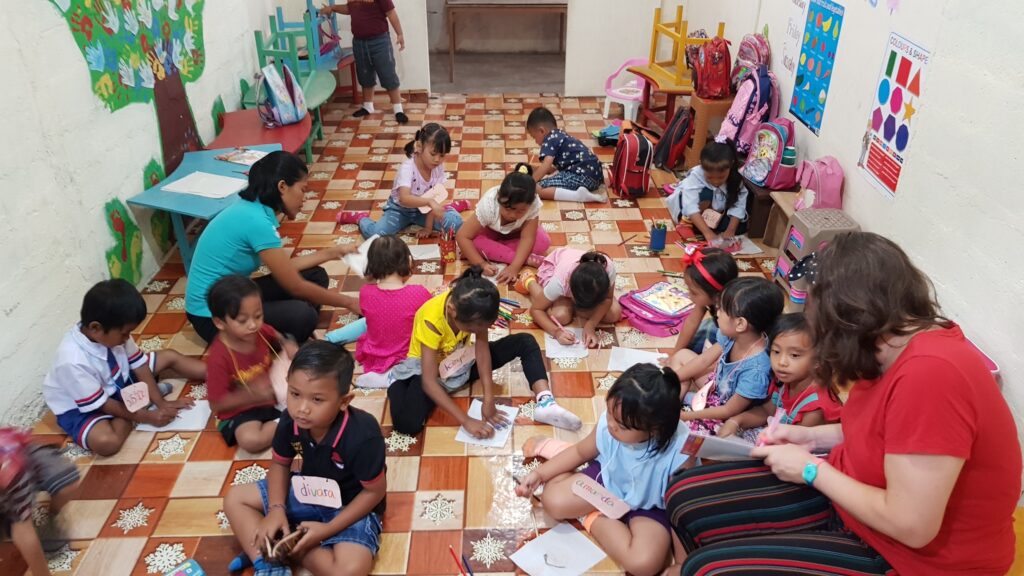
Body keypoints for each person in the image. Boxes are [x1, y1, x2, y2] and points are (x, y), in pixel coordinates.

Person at [664, 232, 1022, 575]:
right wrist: (811, 438)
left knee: (707, 569)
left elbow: (912, 525)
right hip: (855, 501)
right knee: (684, 494)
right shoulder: (890, 346)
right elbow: (880, 431)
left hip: (909, 556)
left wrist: (811, 469)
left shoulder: (931, 375)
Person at [224, 342, 386, 576]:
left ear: (344, 401)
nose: (302, 408)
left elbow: (374, 492)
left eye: (317, 400)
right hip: (308, 492)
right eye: (295, 394)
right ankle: (268, 563)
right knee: (235, 499)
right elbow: (280, 463)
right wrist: (276, 509)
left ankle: (281, 546)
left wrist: (328, 529)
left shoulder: (363, 435)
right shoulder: (291, 421)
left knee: (350, 571)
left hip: (349, 506)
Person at [516, 364, 690, 576]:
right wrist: (539, 474)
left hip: (650, 506)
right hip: (607, 482)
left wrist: (683, 563)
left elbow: (682, 510)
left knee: (644, 565)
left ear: (655, 430)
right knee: (552, 501)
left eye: (622, 426)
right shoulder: (615, 420)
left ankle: (588, 515)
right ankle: (556, 453)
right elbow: (581, 452)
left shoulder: (681, 452)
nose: (610, 426)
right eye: (609, 413)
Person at [185, 151, 360, 344]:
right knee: (303, 315)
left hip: (235, 295)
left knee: (315, 275)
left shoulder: (252, 208)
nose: (305, 199)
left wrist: (333, 252)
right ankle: (284, 333)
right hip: (211, 317)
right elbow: (295, 286)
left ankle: (283, 322)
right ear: (282, 187)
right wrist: (350, 302)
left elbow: (285, 269)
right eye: (303, 190)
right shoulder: (256, 221)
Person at [387, 267, 581, 437]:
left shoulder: (478, 307)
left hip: (461, 362)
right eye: (473, 329)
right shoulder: (431, 319)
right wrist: (466, 420)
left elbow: (481, 351)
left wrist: (489, 398)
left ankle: (545, 401)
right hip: (428, 371)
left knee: (526, 341)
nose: (477, 332)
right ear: (452, 310)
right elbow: (429, 381)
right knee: (407, 425)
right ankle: (396, 383)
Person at [42, 280, 204, 456]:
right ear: (96, 328)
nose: (128, 338)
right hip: (86, 406)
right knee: (107, 443)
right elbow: (103, 404)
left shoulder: (115, 332)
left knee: (170, 357)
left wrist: (161, 403)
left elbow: (140, 365)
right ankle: (136, 407)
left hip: (120, 381)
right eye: (125, 333)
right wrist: (147, 416)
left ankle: (227, 373)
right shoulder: (72, 360)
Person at [671, 277, 784, 433]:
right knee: (682, 356)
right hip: (716, 386)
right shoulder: (731, 335)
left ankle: (676, 412)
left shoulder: (757, 370)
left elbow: (728, 411)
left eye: (722, 309)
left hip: (728, 409)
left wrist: (686, 416)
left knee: (698, 435)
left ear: (740, 324)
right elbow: (703, 360)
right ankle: (671, 403)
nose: (717, 313)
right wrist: (668, 379)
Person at [205, 276, 299, 453]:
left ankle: (294, 416)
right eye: (242, 320)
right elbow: (217, 403)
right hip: (242, 410)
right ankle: (291, 421)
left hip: (273, 395)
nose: (253, 325)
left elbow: (277, 337)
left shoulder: (260, 331)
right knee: (251, 440)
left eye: (258, 316)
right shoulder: (219, 357)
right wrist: (253, 395)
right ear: (219, 322)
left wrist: (288, 345)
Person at [324, 236, 431, 389]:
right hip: (407, 356)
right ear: (408, 262)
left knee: (370, 321)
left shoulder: (366, 292)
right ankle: (393, 375)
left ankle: (331, 339)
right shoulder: (419, 292)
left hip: (375, 356)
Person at [716, 313, 842, 441]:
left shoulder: (816, 408)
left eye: (794, 355)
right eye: (776, 351)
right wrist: (735, 421)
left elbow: (792, 446)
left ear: (818, 361)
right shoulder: (782, 381)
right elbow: (767, 412)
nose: (781, 362)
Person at [337, 123, 466, 237]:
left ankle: (450, 208)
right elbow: (405, 198)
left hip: (424, 211)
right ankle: (360, 218)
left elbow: (435, 197)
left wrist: (428, 228)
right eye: (433, 154)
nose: (437, 159)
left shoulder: (438, 167)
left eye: (442, 155)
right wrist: (431, 202)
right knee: (377, 234)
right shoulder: (407, 168)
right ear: (419, 147)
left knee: (457, 224)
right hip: (400, 210)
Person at [1, 428, 81, 576]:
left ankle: (51, 517)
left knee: (67, 483)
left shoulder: (8, 467)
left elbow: (23, 530)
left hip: (20, 456)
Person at [455, 163, 548, 285]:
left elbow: (528, 238)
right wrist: (481, 264)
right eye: (508, 208)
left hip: (516, 234)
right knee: (474, 243)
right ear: (499, 197)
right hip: (490, 234)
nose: (513, 215)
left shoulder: (533, 203)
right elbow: (462, 236)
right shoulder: (489, 204)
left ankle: (499, 251)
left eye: (520, 211)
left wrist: (514, 267)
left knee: (543, 242)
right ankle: (526, 259)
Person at [321, 0, 408, 124]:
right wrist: (333, 8)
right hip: (359, 42)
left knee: (388, 74)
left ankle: (398, 109)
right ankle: (368, 106)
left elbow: (391, 13)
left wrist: (400, 34)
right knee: (364, 74)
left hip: (380, 42)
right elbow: (349, 9)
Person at [515, 249, 621, 349]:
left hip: (577, 271)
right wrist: (557, 332)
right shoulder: (559, 282)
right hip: (554, 267)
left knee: (615, 313)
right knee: (561, 316)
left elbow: (607, 299)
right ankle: (529, 281)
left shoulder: (608, 269)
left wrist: (591, 324)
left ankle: (572, 308)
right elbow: (536, 310)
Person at [666, 141, 749, 243]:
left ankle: (703, 226)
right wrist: (707, 233)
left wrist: (730, 230)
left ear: (730, 165)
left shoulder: (736, 178)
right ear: (701, 165)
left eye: (721, 177)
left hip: (715, 214)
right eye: (709, 177)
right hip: (692, 211)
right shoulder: (696, 175)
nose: (716, 181)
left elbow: (738, 206)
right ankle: (687, 222)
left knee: (740, 227)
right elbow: (690, 206)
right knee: (706, 193)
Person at [526, 107, 607, 203]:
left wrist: (530, 183)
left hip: (582, 176)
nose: (536, 141)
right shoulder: (560, 135)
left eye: (534, 137)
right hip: (595, 177)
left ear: (542, 131)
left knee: (537, 188)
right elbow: (553, 169)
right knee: (554, 175)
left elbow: (546, 164)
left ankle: (578, 196)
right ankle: (582, 192)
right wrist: (533, 169)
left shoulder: (549, 139)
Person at [667, 246, 738, 355]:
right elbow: (692, 322)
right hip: (720, 331)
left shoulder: (733, 317)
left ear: (717, 296)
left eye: (694, 292)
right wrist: (674, 354)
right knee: (701, 332)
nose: (689, 296)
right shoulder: (714, 296)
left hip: (734, 344)